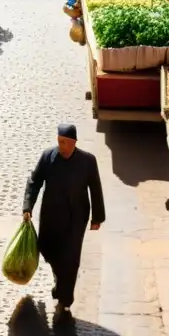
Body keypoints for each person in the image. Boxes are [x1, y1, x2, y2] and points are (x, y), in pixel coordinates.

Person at [23, 123, 104, 314]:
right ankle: (59, 281)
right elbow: (34, 182)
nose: (62, 146)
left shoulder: (88, 161)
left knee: (70, 259)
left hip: (76, 219)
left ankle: (65, 299)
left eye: (65, 143)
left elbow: (96, 189)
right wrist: (27, 207)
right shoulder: (48, 157)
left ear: (74, 143)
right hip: (51, 216)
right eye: (59, 142)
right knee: (49, 252)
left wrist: (97, 217)